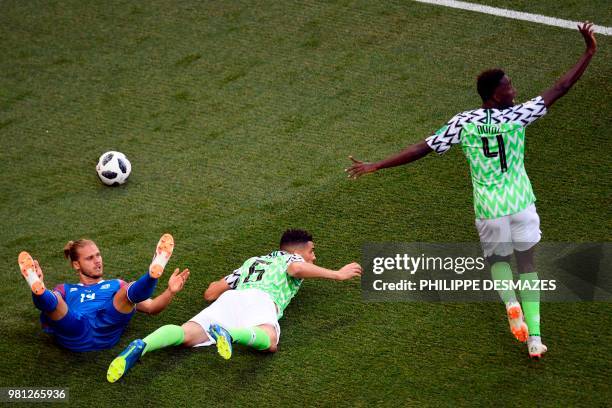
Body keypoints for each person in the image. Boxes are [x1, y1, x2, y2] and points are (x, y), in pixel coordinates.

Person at [346, 23, 597, 359]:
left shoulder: (463, 122)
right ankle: (535, 339)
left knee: (497, 260)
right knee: (529, 265)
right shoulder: (519, 116)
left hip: (490, 207)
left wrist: (377, 164)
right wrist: (589, 52)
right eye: (509, 86)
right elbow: (561, 86)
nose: (514, 90)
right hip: (521, 201)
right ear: (494, 93)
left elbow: (423, 148)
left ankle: (511, 304)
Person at [106, 229, 362, 382]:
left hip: (231, 299)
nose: (314, 257)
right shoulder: (293, 258)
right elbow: (296, 268)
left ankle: (144, 345)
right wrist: (337, 274)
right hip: (262, 301)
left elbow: (211, 292)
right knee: (270, 340)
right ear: (297, 249)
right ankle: (230, 334)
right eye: (312, 251)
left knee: (186, 334)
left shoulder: (253, 261)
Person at [17, 233, 190, 352]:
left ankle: (153, 272)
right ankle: (37, 286)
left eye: (98, 255)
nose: (97, 261)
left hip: (107, 325)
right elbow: (50, 311)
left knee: (125, 291)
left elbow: (152, 307)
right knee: (55, 299)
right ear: (76, 265)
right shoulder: (66, 289)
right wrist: (41, 288)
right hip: (76, 330)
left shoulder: (114, 285)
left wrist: (170, 291)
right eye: (90, 258)